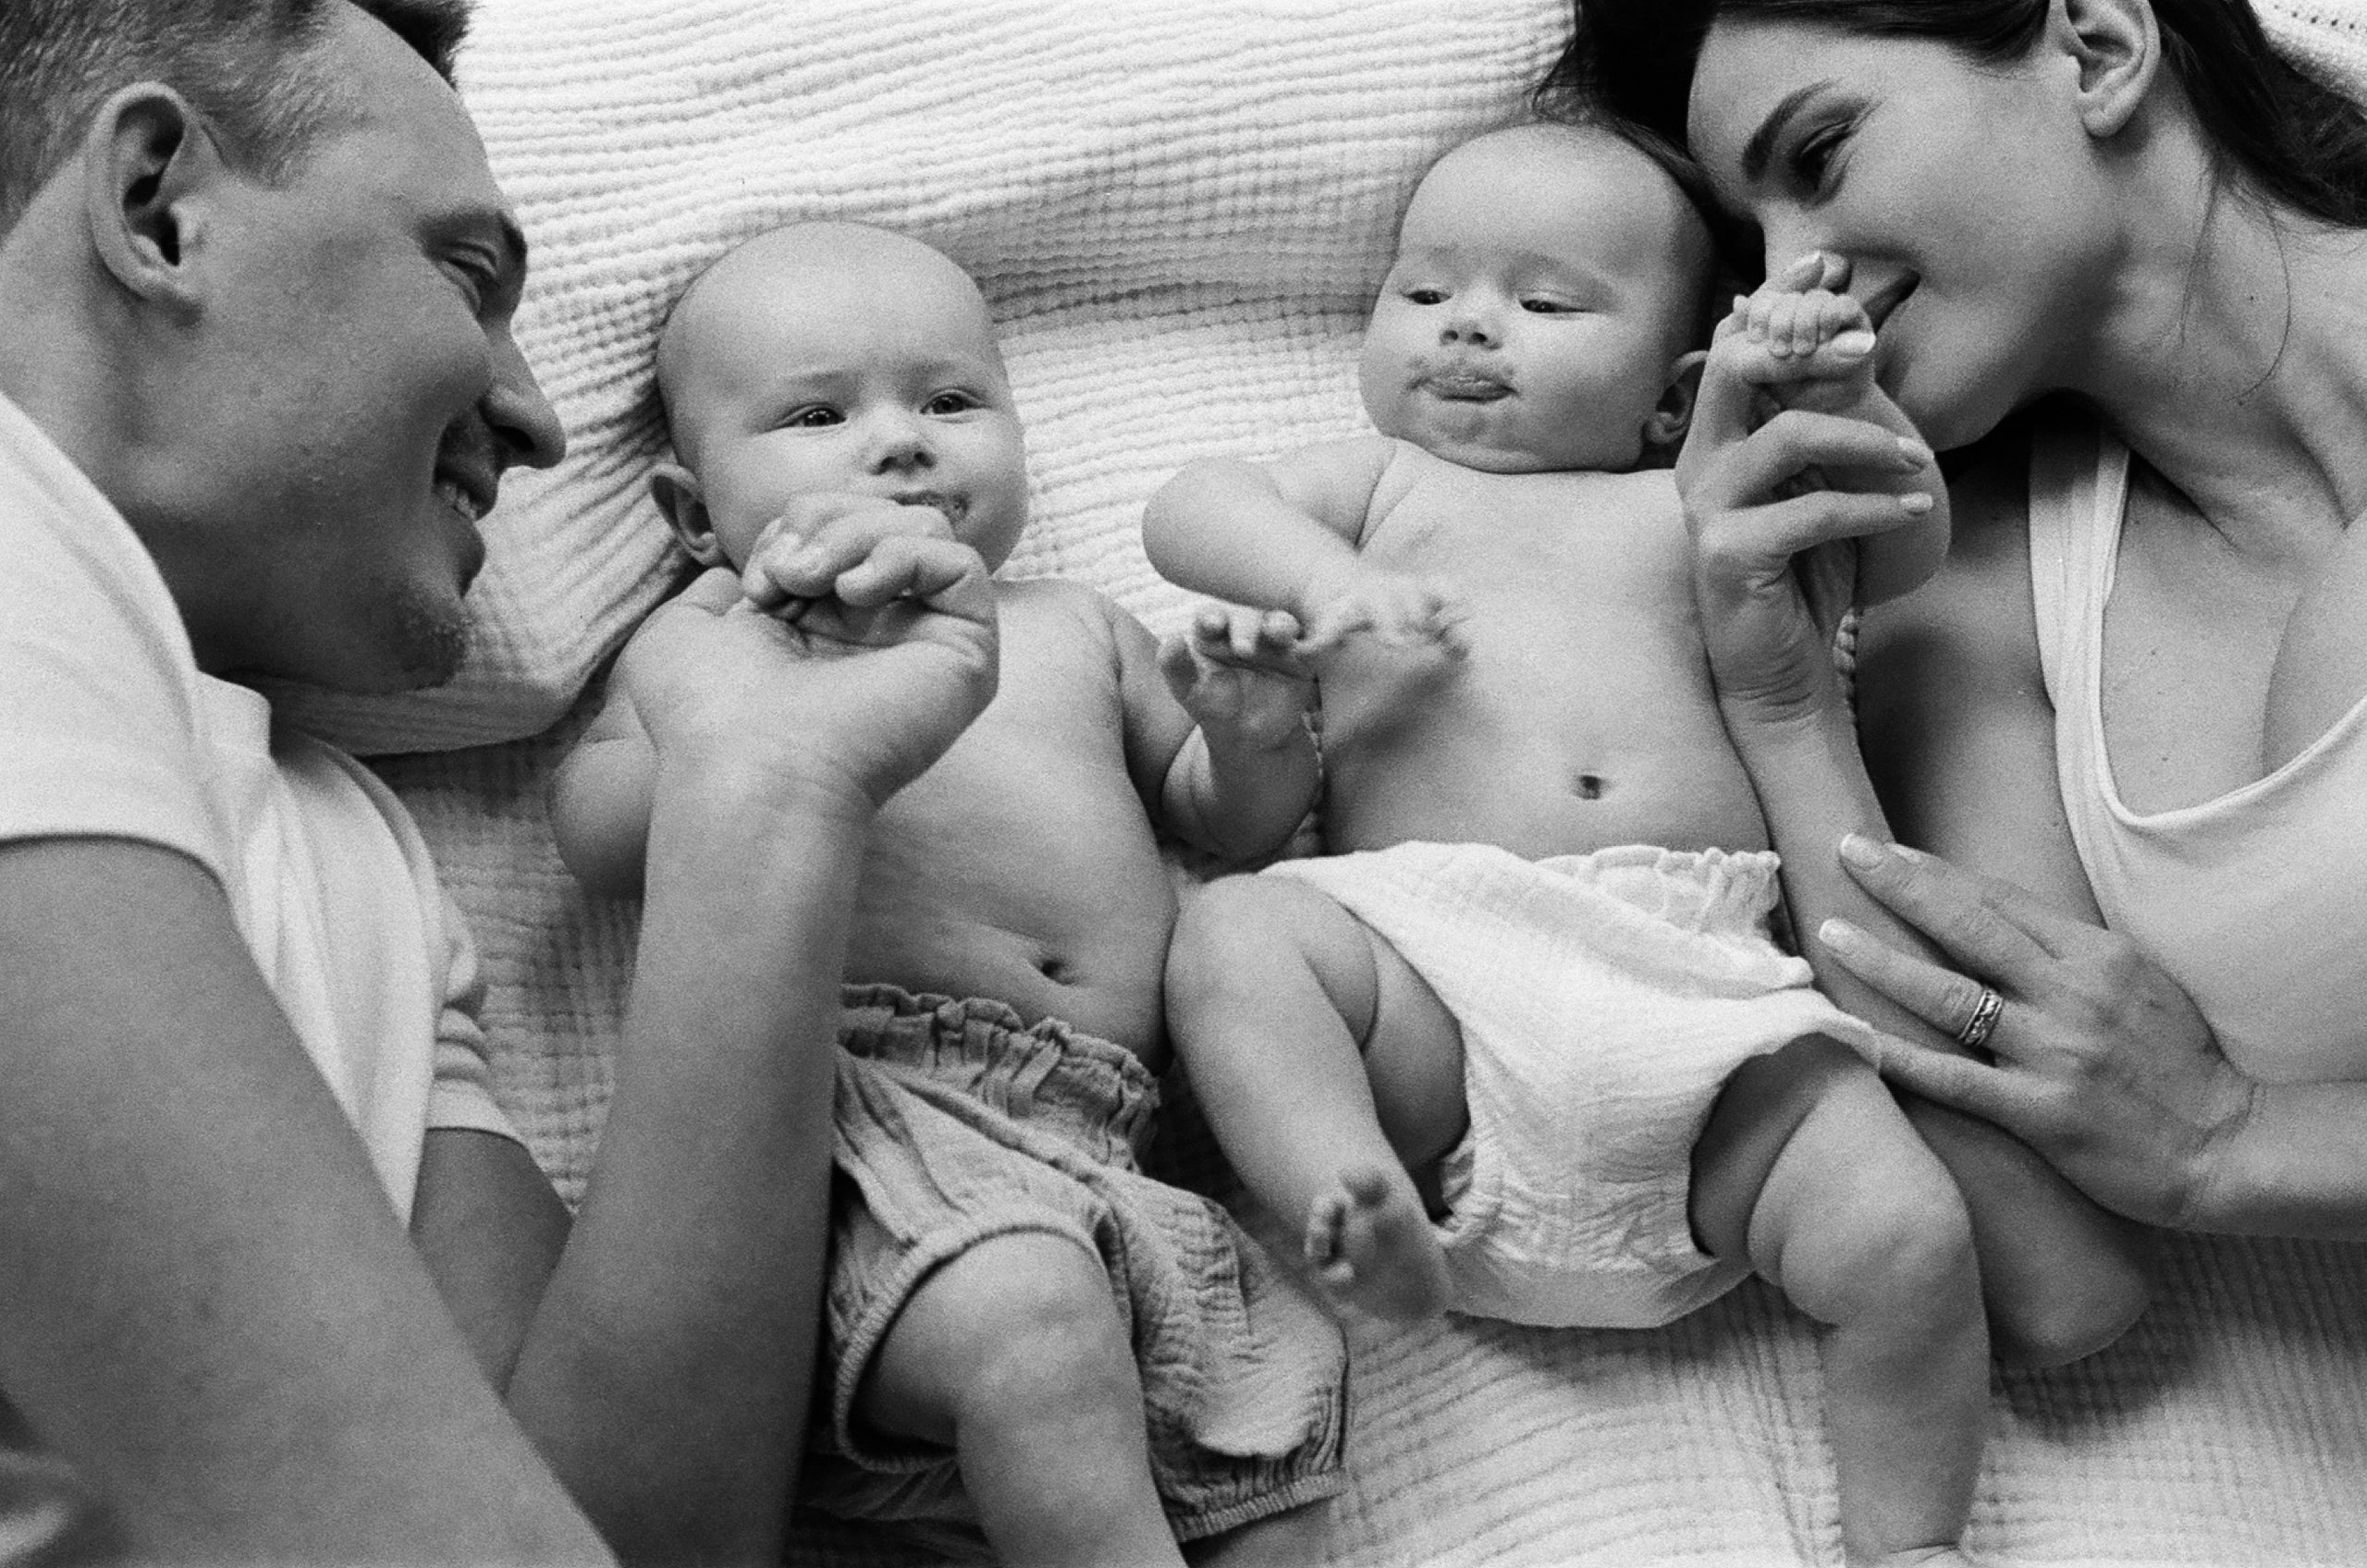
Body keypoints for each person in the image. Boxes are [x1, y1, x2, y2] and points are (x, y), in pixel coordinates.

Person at [0, 2, 1000, 1561]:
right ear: (157, 210)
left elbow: (621, 1531)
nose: (535, 423)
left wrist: (764, 793)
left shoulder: (353, 853)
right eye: (467, 277)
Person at [1145, 119, 2004, 1567]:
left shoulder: (1698, 505)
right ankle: (1342, 1190)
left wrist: (1834, 387)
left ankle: (1907, 1542)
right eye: (1425, 291)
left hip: (1707, 1007)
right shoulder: (1381, 491)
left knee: (1909, 1239)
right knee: (1236, 935)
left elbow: (1902, 531)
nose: (1469, 325)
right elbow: (1191, 506)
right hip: (1438, 993)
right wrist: (1326, 582)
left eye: (1544, 302)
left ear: (1676, 395)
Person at [550, 221, 1349, 1568]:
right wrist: (745, 734)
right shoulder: (713, 649)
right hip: (870, 1122)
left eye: (951, 400)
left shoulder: (1073, 625)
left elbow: (1226, 821)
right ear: (693, 515)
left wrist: (1256, 732)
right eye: (818, 415)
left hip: (1112, 1148)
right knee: (1031, 1327)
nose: (901, 444)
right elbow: (595, 829)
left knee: (1272, 1419)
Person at [1553, 0, 2367, 1243]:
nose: (1787, 279)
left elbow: (2208, 1150)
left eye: (1820, 155)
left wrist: (2236, 1141)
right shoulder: (1984, 603)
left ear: (2097, 47)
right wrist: (1784, 706)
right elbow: (2051, 1271)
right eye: (1752, 241)